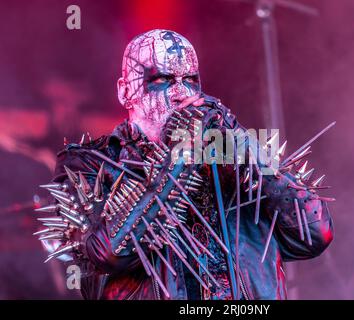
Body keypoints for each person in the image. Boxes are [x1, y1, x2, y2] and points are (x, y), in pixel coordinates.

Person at [34, 29, 334, 300]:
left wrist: (240, 141)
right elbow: (108, 253)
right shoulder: (91, 163)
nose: (182, 93)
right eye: (162, 80)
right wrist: (179, 157)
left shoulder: (234, 156)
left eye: (191, 80)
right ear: (126, 90)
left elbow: (314, 235)